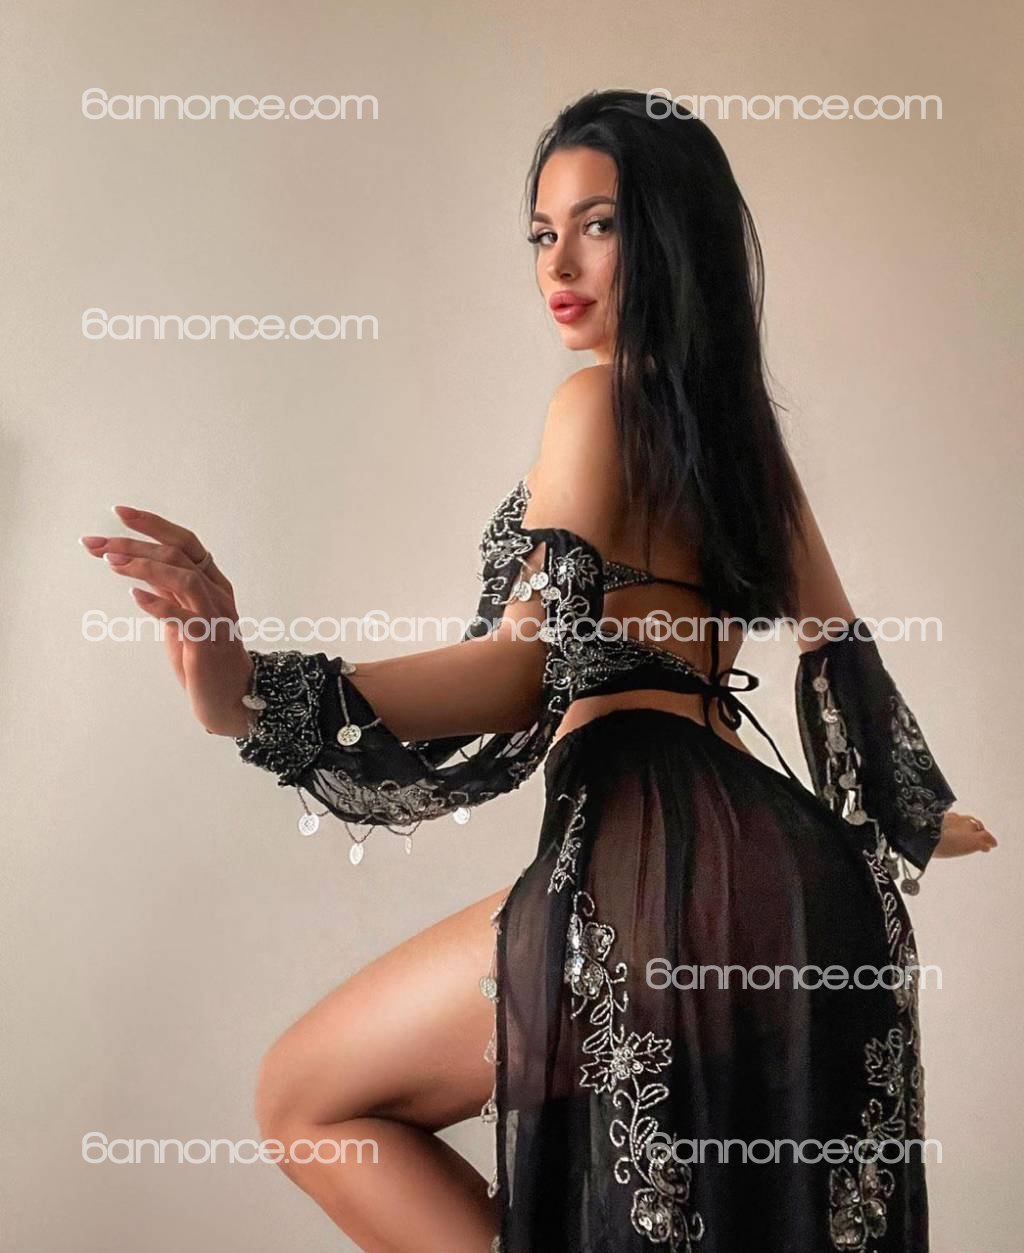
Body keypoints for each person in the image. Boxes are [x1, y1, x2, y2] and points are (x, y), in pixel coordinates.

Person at [83, 89, 996, 1252]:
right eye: (540, 232)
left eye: (597, 225)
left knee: (305, 1098)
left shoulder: (591, 401)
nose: (557, 264)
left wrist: (253, 692)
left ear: (670, 237)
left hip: (657, 857)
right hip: (799, 881)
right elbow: (836, 644)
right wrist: (910, 817)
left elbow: (525, 668)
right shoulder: (740, 438)